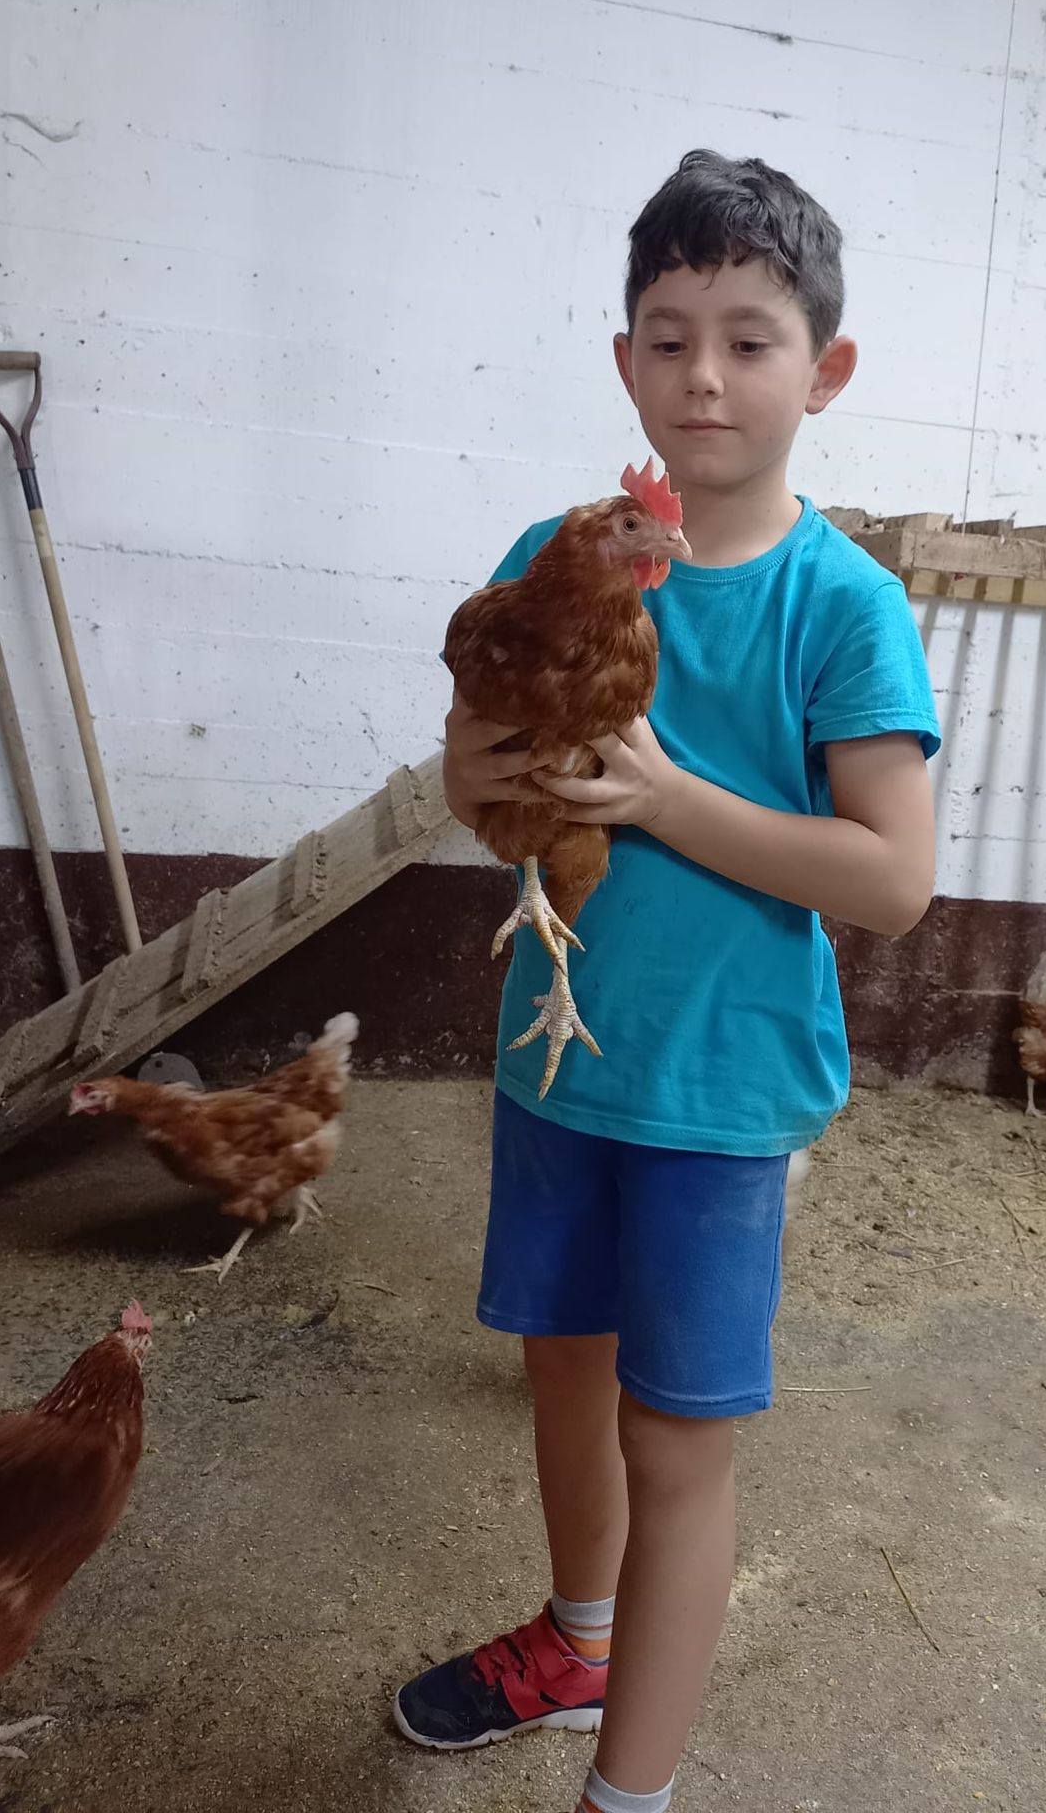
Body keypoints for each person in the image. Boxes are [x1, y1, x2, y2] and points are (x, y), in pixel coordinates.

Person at [394, 149, 941, 1813]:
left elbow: (894, 882)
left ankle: (628, 1799)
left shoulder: (841, 606)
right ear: (625, 360)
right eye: (669, 337)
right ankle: (579, 1644)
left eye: (749, 340)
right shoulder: (551, 549)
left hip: (718, 1086)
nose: (705, 374)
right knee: (562, 1370)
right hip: (560, 1060)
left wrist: (666, 799)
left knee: (677, 1442)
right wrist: (471, 775)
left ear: (823, 371)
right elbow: (479, 775)